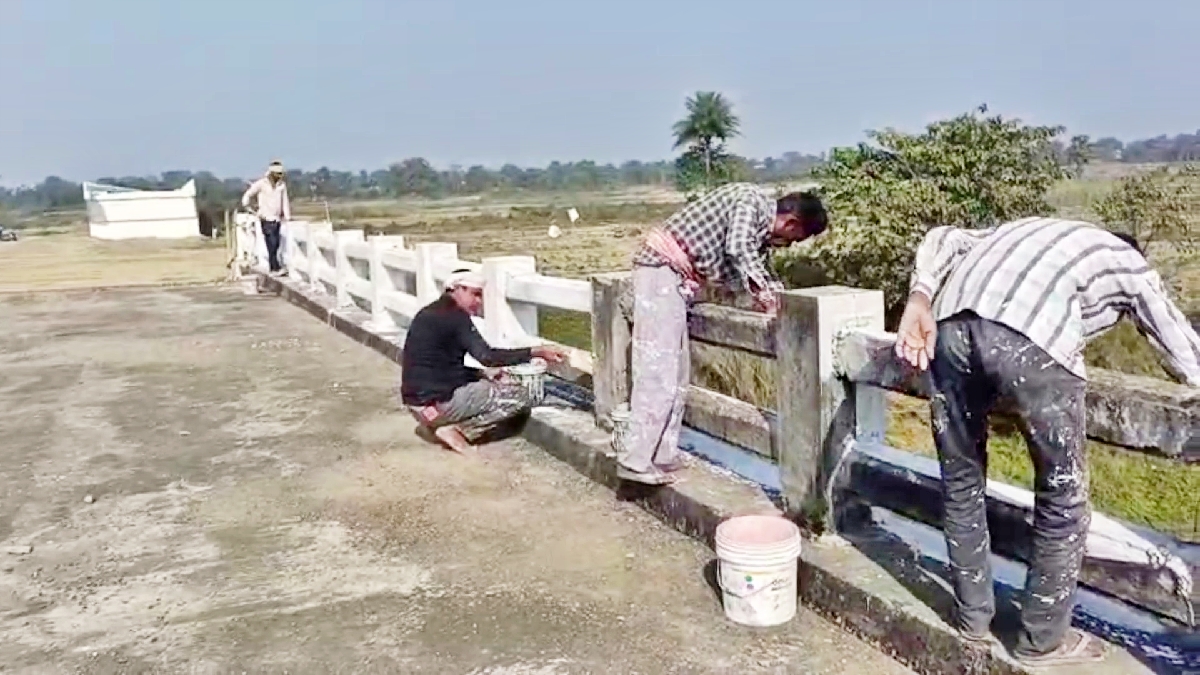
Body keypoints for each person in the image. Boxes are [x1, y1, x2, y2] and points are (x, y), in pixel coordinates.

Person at [894, 216, 1200, 667]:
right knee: (1063, 499)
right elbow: (1181, 348)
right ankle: (1041, 641)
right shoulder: (1127, 262)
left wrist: (919, 295)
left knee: (962, 483)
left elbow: (943, 236)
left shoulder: (1031, 229)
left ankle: (971, 622)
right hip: (1029, 340)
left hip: (951, 330)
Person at [619, 183, 829, 485]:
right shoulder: (750, 201)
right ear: (791, 223)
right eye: (795, 238)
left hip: (677, 280)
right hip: (661, 270)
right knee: (657, 371)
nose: (790, 245)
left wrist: (773, 297)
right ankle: (635, 460)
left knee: (677, 375)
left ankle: (661, 454)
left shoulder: (759, 233)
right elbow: (738, 250)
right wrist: (768, 297)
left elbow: (747, 271)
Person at [400, 269, 567, 453]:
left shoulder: (428, 313)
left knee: (482, 380)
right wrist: (537, 351)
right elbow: (488, 357)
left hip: (416, 406)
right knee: (520, 395)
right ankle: (458, 431)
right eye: (475, 294)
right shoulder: (456, 317)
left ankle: (436, 423)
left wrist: (480, 373)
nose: (478, 302)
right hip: (440, 406)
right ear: (457, 289)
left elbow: (439, 366)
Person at [241, 161, 292, 275]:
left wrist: (287, 217)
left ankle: (275, 266)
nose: (279, 176)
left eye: (281, 174)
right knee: (271, 242)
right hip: (265, 218)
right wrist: (248, 206)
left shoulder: (281, 185)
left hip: (277, 218)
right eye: (277, 174)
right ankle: (275, 267)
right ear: (271, 173)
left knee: (277, 243)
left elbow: (285, 201)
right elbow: (249, 194)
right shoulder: (261, 184)